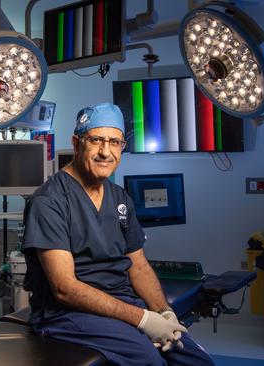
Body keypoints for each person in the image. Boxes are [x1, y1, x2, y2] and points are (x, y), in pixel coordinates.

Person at [21, 102, 215, 366]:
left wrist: (164, 313)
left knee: (196, 361)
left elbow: (139, 266)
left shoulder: (119, 197)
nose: (105, 152)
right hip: (67, 313)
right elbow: (65, 289)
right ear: (77, 144)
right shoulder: (50, 201)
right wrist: (143, 319)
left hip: (120, 301)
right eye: (96, 140)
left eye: (115, 142)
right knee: (149, 360)